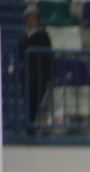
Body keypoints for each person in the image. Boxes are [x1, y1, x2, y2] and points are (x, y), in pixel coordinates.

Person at [17, 6, 53, 136]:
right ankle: (30, 128)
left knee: (37, 102)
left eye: (33, 18)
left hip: (40, 75)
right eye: (28, 18)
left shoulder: (43, 36)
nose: (31, 21)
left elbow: (48, 57)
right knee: (29, 103)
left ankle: (36, 127)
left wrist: (48, 77)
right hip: (27, 75)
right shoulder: (23, 37)